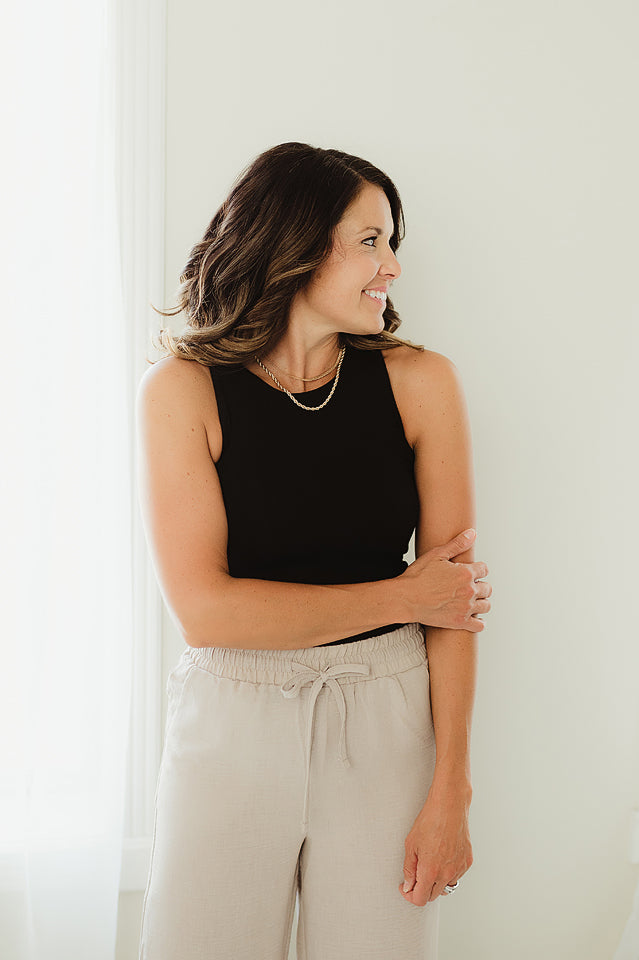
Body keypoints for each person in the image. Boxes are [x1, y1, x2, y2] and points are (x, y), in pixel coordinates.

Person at [135, 141, 492, 960]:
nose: (391, 266)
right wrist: (402, 597)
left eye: (390, 241)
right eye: (369, 241)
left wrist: (452, 788)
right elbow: (206, 612)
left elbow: (454, 608)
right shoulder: (181, 390)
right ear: (293, 243)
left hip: (388, 718)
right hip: (233, 718)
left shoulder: (421, 382)